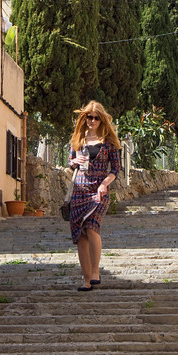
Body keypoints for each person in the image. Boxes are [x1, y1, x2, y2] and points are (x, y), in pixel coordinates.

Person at [67, 100, 121, 292]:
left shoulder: (109, 142)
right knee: (81, 235)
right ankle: (86, 279)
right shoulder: (78, 140)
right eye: (89, 117)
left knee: (92, 227)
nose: (92, 120)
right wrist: (74, 161)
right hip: (79, 190)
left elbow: (116, 169)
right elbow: (70, 162)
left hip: (99, 190)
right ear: (84, 118)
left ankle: (96, 270)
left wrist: (104, 184)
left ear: (102, 119)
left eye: (96, 117)